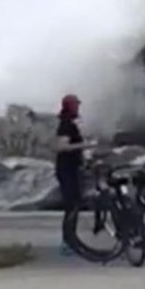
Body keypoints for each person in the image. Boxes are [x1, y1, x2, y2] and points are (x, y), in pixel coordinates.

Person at [55, 94, 96, 255]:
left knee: (74, 205)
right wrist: (84, 145)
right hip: (66, 169)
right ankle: (67, 241)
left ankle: (71, 239)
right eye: (76, 104)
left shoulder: (72, 123)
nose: (79, 107)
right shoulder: (66, 124)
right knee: (71, 206)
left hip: (72, 168)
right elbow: (60, 146)